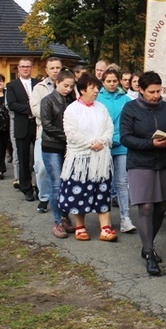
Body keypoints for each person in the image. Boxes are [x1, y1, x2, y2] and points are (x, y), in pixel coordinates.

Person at [120, 71, 166, 275]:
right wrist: (150, 143)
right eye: (151, 91)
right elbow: (125, 137)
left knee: (161, 207)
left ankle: (148, 244)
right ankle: (149, 251)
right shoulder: (130, 108)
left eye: (158, 90)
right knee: (145, 207)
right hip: (139, 163)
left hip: (162, 162)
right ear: (141, 90)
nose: (156, 95)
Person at [58, 73, 117, 242]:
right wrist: (92, 142)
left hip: (101, 159)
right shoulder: (72, 110)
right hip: (80, 160)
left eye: (97, 87)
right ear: (83, 90)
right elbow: (71, 133)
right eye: (92, 87)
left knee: (102, 191)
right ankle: (80, 226)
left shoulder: (101, 108)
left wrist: (103, 141)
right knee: (79, 192)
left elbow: (109, 127)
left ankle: (105, 228)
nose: (96, 91)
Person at [97, 67, 135, 233]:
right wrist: (106, 139)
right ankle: (105, 220)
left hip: (121, 146)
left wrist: (120, 139)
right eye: (108, 81)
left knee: (121, 182)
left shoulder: (126, 99)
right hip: (103, 146)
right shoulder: (97, 99)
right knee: (103, 182)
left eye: (114, 81)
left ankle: (125, 218)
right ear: (103, 82)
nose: (112, 84)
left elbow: (129, 122)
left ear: (118, 81)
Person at [40, 70, 76, 238]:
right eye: (65, 85)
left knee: (67, 184)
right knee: (56, 184)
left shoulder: (72, 101)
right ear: (57, 83)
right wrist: (68, 136)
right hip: (52, 145)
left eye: (71, 86)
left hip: (68, 147)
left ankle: (64, 216)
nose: (68, 89)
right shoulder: (47, 101)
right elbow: (47, 125)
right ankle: (57, 222)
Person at [31, 57, 63, 214]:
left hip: (65, 134)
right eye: (52, 68)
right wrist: (49, 113)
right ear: (47, 70)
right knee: (41, 167)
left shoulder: (69, 86)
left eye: (58, 67)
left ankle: (61, 199)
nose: (55, 70)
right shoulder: (39, 88)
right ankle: (44, 197)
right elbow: (34, 109)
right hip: (44, 132)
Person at [7, 57, 39, 201]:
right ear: (18, 68)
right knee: (23, 159)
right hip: (22, 125)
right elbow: (12, 104)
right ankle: (26, 188)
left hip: (37, 125)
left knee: (38, 159)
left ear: (31, 68)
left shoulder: (38, 84)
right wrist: (30, 110)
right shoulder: (12, 85)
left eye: (28, 66)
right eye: (23, 66)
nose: (26, 69)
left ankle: (40, 187)